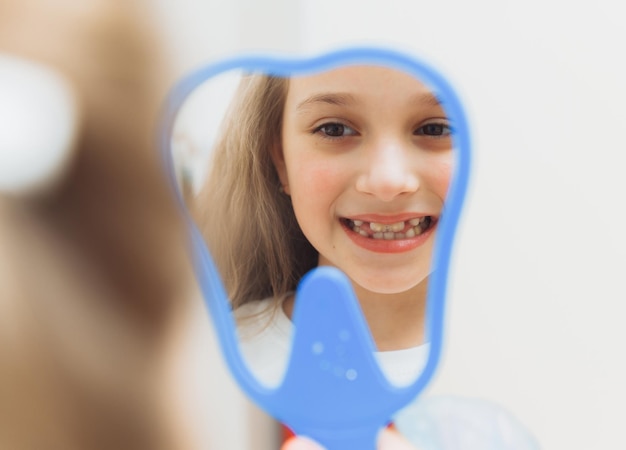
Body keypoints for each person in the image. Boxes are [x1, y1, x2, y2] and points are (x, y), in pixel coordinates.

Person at [193, 65, 452, 443]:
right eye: (334, 129)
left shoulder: (543, 365)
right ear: (281, 160)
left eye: (434, 129)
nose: (387, 181)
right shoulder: (207, 366)